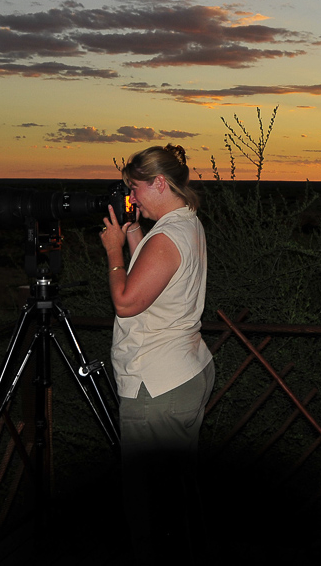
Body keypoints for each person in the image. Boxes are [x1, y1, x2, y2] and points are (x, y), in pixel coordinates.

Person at [98, 144, 214, 557]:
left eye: (136, 189)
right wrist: (132, 233)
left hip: (156, 387)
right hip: (183, 371)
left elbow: (127, 301)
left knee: (149, 509)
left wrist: (113, 251)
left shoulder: (167, 236)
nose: (132, 198)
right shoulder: (185, 224)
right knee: (176, 493)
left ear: (160, 183)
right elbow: (156, 270)